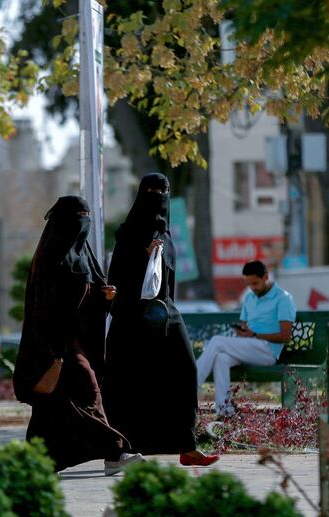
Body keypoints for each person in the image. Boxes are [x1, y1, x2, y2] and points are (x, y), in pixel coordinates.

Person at [13, 196, 144, 475]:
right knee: (86, 389)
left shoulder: (83, 254)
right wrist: (52, 351)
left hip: (74, 340)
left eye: (86, 216)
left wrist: (105, 297)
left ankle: (37, 462)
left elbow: (89, 299)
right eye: (77, 216)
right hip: (53, 345)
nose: (81, 223)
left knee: (50, 408)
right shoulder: (49, 260)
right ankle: (115, 450)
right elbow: (42, 309)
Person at [102, 173, 219, 466]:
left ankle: (186, 445)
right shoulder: (128, 233)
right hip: (132, 318)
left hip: (164, 314)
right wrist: (142, 257)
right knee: (127, 385)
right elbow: (116, 281)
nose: (158, 196)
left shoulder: (165, 234)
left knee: (185, 371)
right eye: (152, 191)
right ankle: (117, 451)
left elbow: (169, 282)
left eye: (163, 191)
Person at [196, 260, 296, 416]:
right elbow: (244, 326)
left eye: (255, 283)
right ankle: (224, 410)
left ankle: (190, 386)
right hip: (249, 347)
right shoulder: (249, 298)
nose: (252, 288)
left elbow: (285, 336)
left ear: (265, 277)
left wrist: (256, 335)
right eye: (249, 284)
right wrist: (242, 332)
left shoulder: (283, 299)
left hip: (267, 351)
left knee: (216, 341)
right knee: (221, 358)